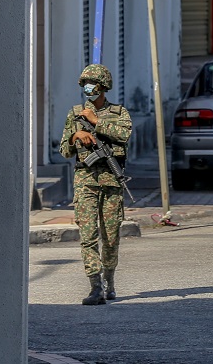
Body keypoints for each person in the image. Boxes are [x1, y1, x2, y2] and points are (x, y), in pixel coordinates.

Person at [59, 64, 133, 306]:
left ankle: (109, 281)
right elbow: (64, 151)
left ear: (103, 87)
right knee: (88, 235)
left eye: (93, 84)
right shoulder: (75, 113)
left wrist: (96, 122)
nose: (88, 88)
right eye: (85, 84)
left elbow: (124, 135)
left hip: (112, 182)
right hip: (86, 182)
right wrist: (75, 136)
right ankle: (95, 287)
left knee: (110, 237)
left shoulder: (119, 112)